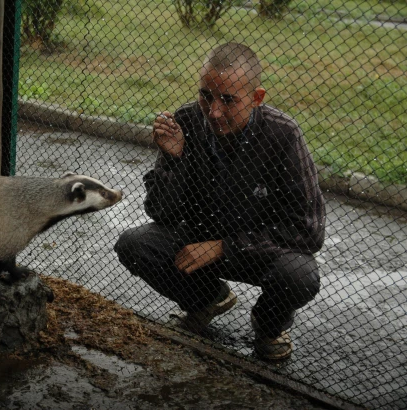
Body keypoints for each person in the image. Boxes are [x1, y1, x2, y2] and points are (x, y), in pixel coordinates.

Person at [114, 42, 325, 360]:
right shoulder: (186, 120)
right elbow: (159, 212)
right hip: (197, 241)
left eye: (228, 100)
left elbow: (308, 231)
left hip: (258, 253)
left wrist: (224, 247)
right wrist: (172, 160)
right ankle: (206, 300)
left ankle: (268, 328)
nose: (213, 111)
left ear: (257, 98)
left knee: (298, 273)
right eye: (206, 95)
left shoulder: (284, 136)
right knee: (134, 244)